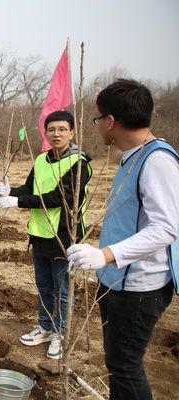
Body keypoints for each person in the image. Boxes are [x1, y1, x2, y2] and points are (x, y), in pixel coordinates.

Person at [66, 79, 179, 399]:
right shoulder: (132, 155)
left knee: (125, 365)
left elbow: (165, 228)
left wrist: (105, 255)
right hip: (119, 281)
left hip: (140, 287)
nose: (98, 125)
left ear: (111, 121)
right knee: (118, 363)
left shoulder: (157, 161)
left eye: (98, 118)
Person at [0, 110, 92, 360]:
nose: (56, 134)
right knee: (44, 286)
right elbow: (30, 188)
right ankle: (46, 327)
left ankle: (61, 333)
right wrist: (11, 190)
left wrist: (18, 201)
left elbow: (61, 198)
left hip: (64, 236)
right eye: (51, 130)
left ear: (72, 133)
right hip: (39, 234)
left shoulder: (79, 163)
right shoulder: (41, 160)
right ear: (45, 133)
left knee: (62, 289)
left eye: (62, 129)